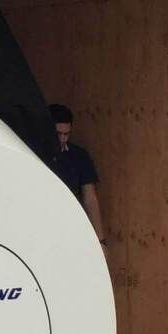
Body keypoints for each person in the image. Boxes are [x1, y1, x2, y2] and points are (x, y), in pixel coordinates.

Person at [48, 103, 105, 244]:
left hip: (72, 226)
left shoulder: (79, 156)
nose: (62, 139)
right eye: (58, 134)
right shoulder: (36, 154)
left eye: (66, 134)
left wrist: (100, 241)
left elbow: (90, 198)